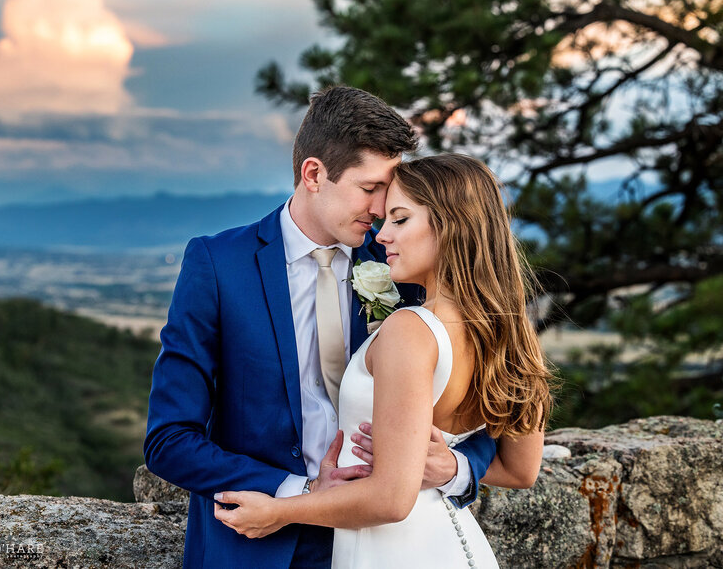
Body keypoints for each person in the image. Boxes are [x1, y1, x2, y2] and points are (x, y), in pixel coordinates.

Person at [143, 88, 498, 569]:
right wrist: (296, 494)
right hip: (255, 543)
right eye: (369, 187)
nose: (381, 208)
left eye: (388, 191)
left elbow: (489, 405)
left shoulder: (401, 262)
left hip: (379, 544)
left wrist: (456, 468)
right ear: (314, 174)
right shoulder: (217, 265)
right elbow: (169, 439)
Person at [213, 153, 554, 568]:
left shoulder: (411, 329)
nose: (383, 234)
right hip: (452, 544)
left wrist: (278, 512)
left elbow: (391, 499)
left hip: (389, 549)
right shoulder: (510, 330)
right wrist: (453, 468)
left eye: (400, 219)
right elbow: (521, 470)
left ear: (450, 226)